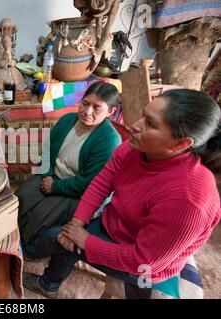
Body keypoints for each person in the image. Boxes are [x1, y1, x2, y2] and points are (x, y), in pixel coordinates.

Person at [22, 89, 221, 298]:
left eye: (151, 124)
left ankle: (32, 266)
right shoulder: (135, 148)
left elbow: (143, 260)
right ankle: (49, 277)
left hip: (144, 267)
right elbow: (101, 183)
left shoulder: (188, 201)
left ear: (181, 144)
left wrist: (86, 241)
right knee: (67, 234)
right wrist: (78, 222)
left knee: (58, 237)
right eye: (144, 115)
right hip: (115, 225)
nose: (135, 126)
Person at [15, 82, 122, 245]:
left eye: (96, 108)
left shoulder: (109, 139)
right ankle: (9, 234)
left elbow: (90, 183)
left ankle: (23, 248)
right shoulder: (67, 120)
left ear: (110, 112)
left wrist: (55, 187)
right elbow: (47, 150)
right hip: (51, 178)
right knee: (20, 197)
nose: (87, 111)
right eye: (85, 103)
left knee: (39, 217)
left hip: (78, 193)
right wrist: (48, 176)